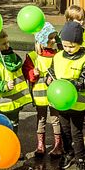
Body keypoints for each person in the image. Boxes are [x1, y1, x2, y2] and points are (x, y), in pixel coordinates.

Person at [47, 22, 85, 170]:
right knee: (64, 130)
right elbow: (52, 71)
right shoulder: (58, 56)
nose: (68, 49)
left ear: (79, 43)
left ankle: (80, 159)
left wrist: (70, 84)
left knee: (76, 132)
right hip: (61, 103)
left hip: (78, 103)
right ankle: (68, 153)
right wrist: (49, 78)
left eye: (72, 46)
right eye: (65, 45)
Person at [23, 22, 63, 160]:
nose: (53, 41)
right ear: (41, 40)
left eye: (54, 38)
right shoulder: (33, 56)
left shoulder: (58, 55)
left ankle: (58, 144)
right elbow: (27, 74)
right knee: (41, 119)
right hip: (40, 95)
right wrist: (33, 73)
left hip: (54, 94)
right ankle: (41, 144)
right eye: (49, 38)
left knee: (55, 119)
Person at [0, 30, 32, 134]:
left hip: (16, 101)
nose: (7, 46)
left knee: (14, 125)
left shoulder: (13, 57)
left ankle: (13, 145)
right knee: (5, 127)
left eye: (7, 42)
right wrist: (4, 85)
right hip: (5, 102)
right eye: (3, 44)